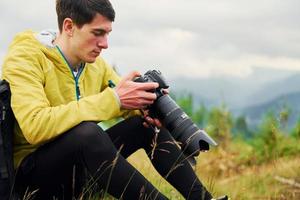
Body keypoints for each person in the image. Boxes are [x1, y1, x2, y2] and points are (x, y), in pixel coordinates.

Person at [1, 0, 228, 199]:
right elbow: (34, 125)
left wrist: (147, 106)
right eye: (97, 33)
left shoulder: (94, 65)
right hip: (33, 182)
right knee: (87, 133)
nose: (105, 44)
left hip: (79, 173)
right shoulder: (25, 57)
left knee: (144, 126)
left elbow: (121, 101)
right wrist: (115, 99)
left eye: (107, 33)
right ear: (69, 26)